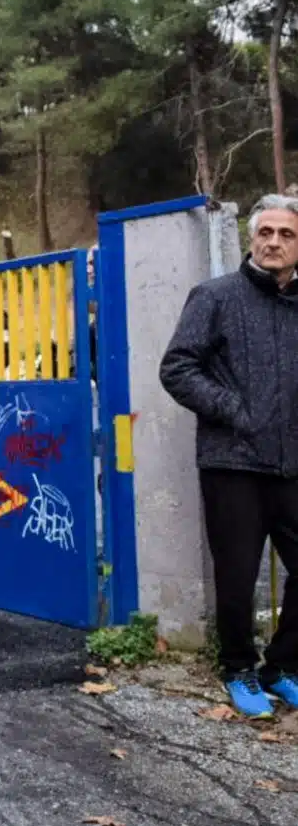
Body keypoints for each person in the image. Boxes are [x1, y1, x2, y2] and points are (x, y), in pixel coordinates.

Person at [159, 193, 298, 718]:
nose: (274, 242)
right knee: (237, 578)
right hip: (233, 462)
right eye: (265, 232)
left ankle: (281, 667)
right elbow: (177, 368)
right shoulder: (215, 296)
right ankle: (238, 669)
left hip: (292, 462)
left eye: (286, 234)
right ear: (251, 238)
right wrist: (236, 410)